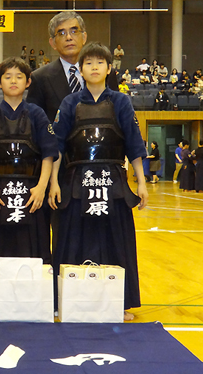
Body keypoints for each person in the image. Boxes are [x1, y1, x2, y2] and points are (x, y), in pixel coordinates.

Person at [48, 42, 149, 321]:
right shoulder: (70, 103)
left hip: (112, 181)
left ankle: (119, 302)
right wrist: (54, 183)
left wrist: (140, 183)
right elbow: (56, 147)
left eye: (99, 63)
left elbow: (134, 145)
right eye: (88, 63)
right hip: (76, 180)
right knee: (72, 240)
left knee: (115, 241)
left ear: (108, 68)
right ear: (80, 70)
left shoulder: (120, 102)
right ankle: (66, 299)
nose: (94, 67)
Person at [0, 57, 58, 307]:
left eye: (19, 76)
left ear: (28, 82)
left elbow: (49, 153)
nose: (13, 81)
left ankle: (35, 301)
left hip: (31, 191)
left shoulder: (37, 114)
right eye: (7, 77)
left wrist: (42, 186)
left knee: (34, 244)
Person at [27, 11, 118, 124]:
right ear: (53, 43)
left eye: (74, 31)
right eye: (62, 34)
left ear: (84, 37)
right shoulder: (40, 78)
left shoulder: (106, 73)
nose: (69, 37)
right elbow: (34, 122)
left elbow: (116, 115)